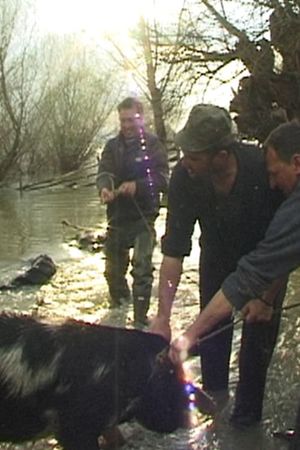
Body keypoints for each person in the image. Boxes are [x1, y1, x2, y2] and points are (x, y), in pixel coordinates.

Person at [150, 103, 288, 427]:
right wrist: (162, 316)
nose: (185, 162)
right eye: (183, 153)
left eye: (194, 156)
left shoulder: (262, 169)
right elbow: (173, 254)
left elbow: (287, 246)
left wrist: (267, 298)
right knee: (211, 354)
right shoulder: (184, 178)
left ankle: (245, 426)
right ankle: (215, 425)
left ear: (222, 155)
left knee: (254, 360)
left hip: (265, 271)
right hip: (215, 263)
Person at [96, 97, 169, 327]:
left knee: (142, 269)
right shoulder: (111, 147)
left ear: (141, 118)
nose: (126, 125)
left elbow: (163, 179)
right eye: (123, 120)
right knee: (113, 273)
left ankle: (139, 321)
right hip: (117, 217)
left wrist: (137, 186)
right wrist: (105, 188)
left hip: (143, 217)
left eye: (131, 120)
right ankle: (118, 315)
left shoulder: (154, 145)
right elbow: (103, 172)